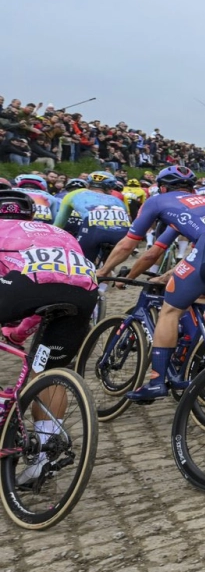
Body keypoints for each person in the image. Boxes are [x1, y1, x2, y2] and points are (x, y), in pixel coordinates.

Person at [96, 165, 205, 402]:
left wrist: (105, 271)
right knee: (199, 299)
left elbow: (131, 246)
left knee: (170, 310)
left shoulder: (159, 201)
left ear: (162, 188)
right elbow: (171, 253)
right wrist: (168, 274)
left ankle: (156, 382)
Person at [0, 188, 98, 483]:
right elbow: (52, 282)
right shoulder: (57, 231)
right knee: (48, 371)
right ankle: (44, 451)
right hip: (84, 294)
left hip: (27, 287)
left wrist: (15, 333)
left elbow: (29, 290)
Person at [53, 170, 130, 265]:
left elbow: (59, 224)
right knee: (106, 267)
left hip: (93, 232)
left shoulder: (73, 194)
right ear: (109, 187)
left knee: (80, 264)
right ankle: (107, 274)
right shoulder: (118, 201)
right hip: (122, 235)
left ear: (88, 184)